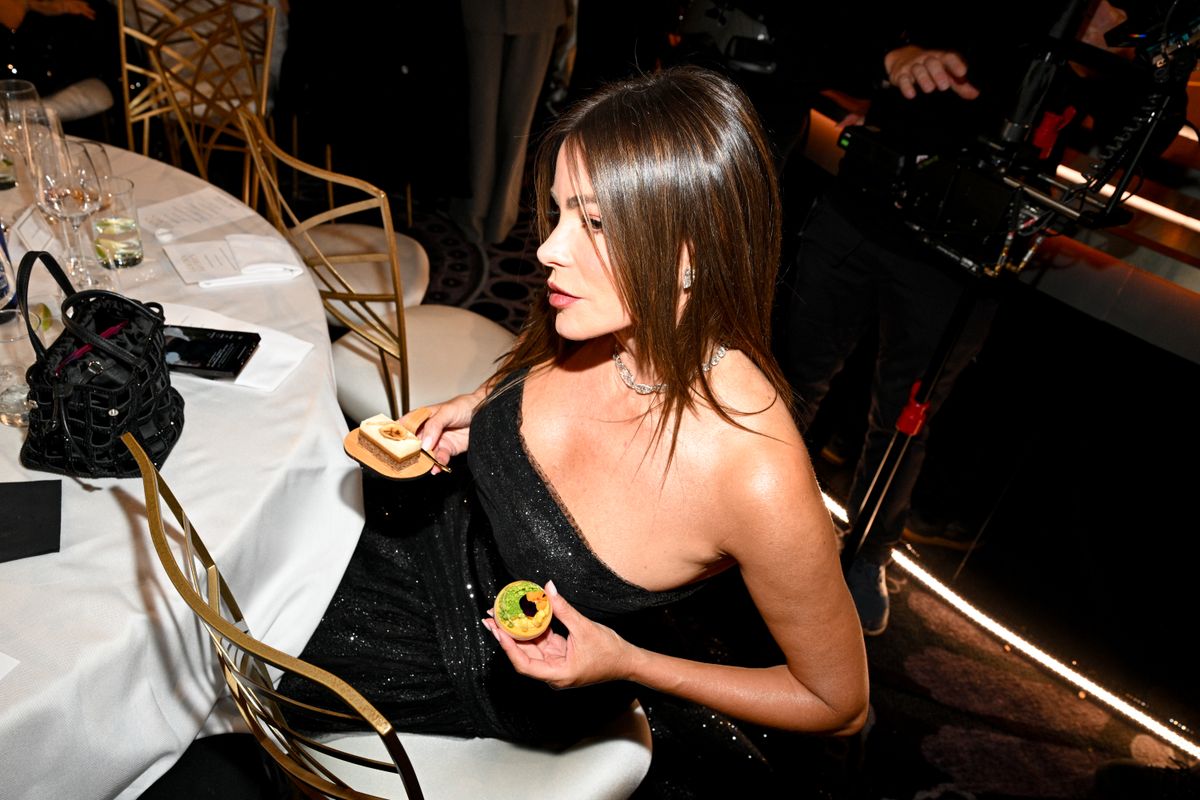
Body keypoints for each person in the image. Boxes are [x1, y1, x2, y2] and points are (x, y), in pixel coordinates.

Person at [286, 65, 869, 791]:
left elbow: (839, 703)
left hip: (483, 671)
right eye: (560, 212)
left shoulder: (755, 474)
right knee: (268, 541)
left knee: (260, 656)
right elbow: (532, 384)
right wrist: (482, 407)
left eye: (592, 222)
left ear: (691, 250)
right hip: (426, 539)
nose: (547, 250)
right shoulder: (596, 316)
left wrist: (628, 661)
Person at [775, 1, 1145, 635]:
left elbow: (1135, 135)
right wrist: (893, 58)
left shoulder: (1103, 17)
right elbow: (825, 30)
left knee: (903, 422)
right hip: (866, 200)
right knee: (792, 382)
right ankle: (747, 521)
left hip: (966, 246)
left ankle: (864, 557)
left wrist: (1112, 65)